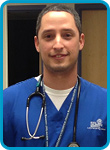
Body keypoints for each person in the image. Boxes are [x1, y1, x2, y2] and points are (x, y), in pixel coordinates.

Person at [3, 4, 107, 147]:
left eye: (67, 35)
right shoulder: (7, 101)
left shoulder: (104, 103)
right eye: (49, 36)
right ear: (37, 43)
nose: (58, 44)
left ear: (81, 41)